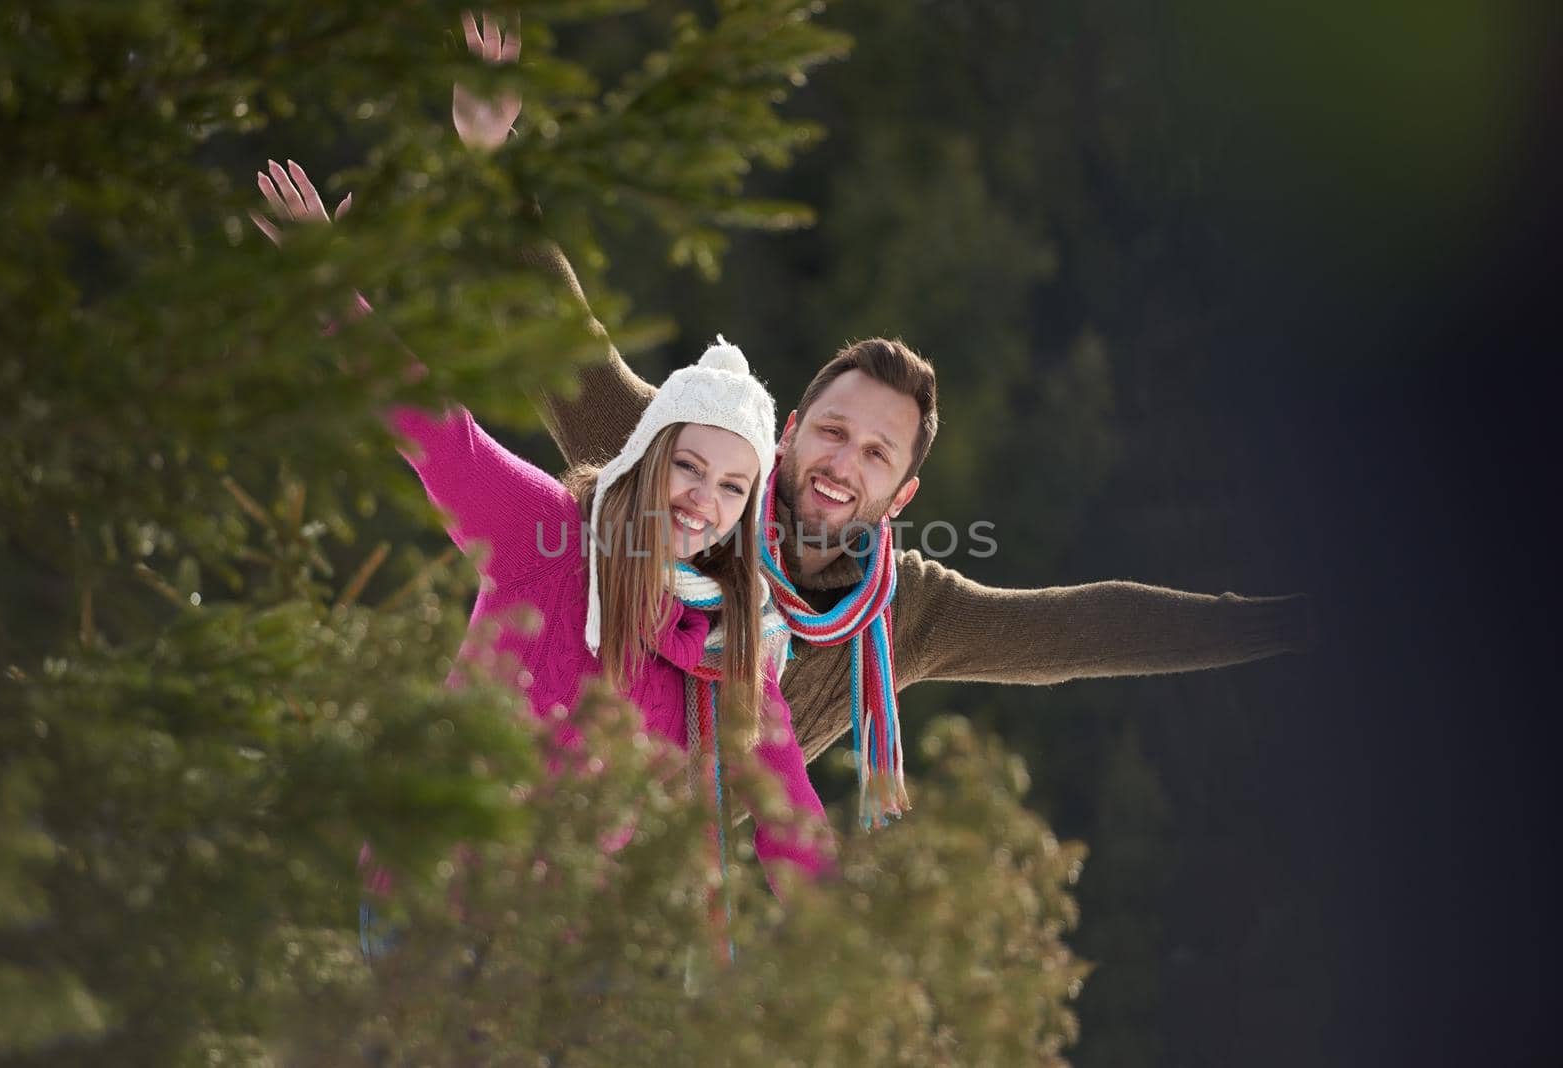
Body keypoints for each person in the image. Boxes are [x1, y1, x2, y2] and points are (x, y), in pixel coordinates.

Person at [442, 12, 1313, 827]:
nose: (841, 463)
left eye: (874, 454)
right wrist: (489, 157)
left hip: (614, 918)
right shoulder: (676, 461)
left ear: (900, 494)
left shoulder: (905, 618)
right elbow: (557, 333)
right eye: (831, 431)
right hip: (484, 826)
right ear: (787, 433)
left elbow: (1084, 625)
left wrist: (1279, 622)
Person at [251, 161, 832, 903]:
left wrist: (847, 962)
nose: (702, 499)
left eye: (730, 487)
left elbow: (793, 826)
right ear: (649, 460)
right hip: (430, 895)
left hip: (556, 958)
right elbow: (442, 437)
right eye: (688, 466)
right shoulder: (551, 539)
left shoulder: (735, 655)